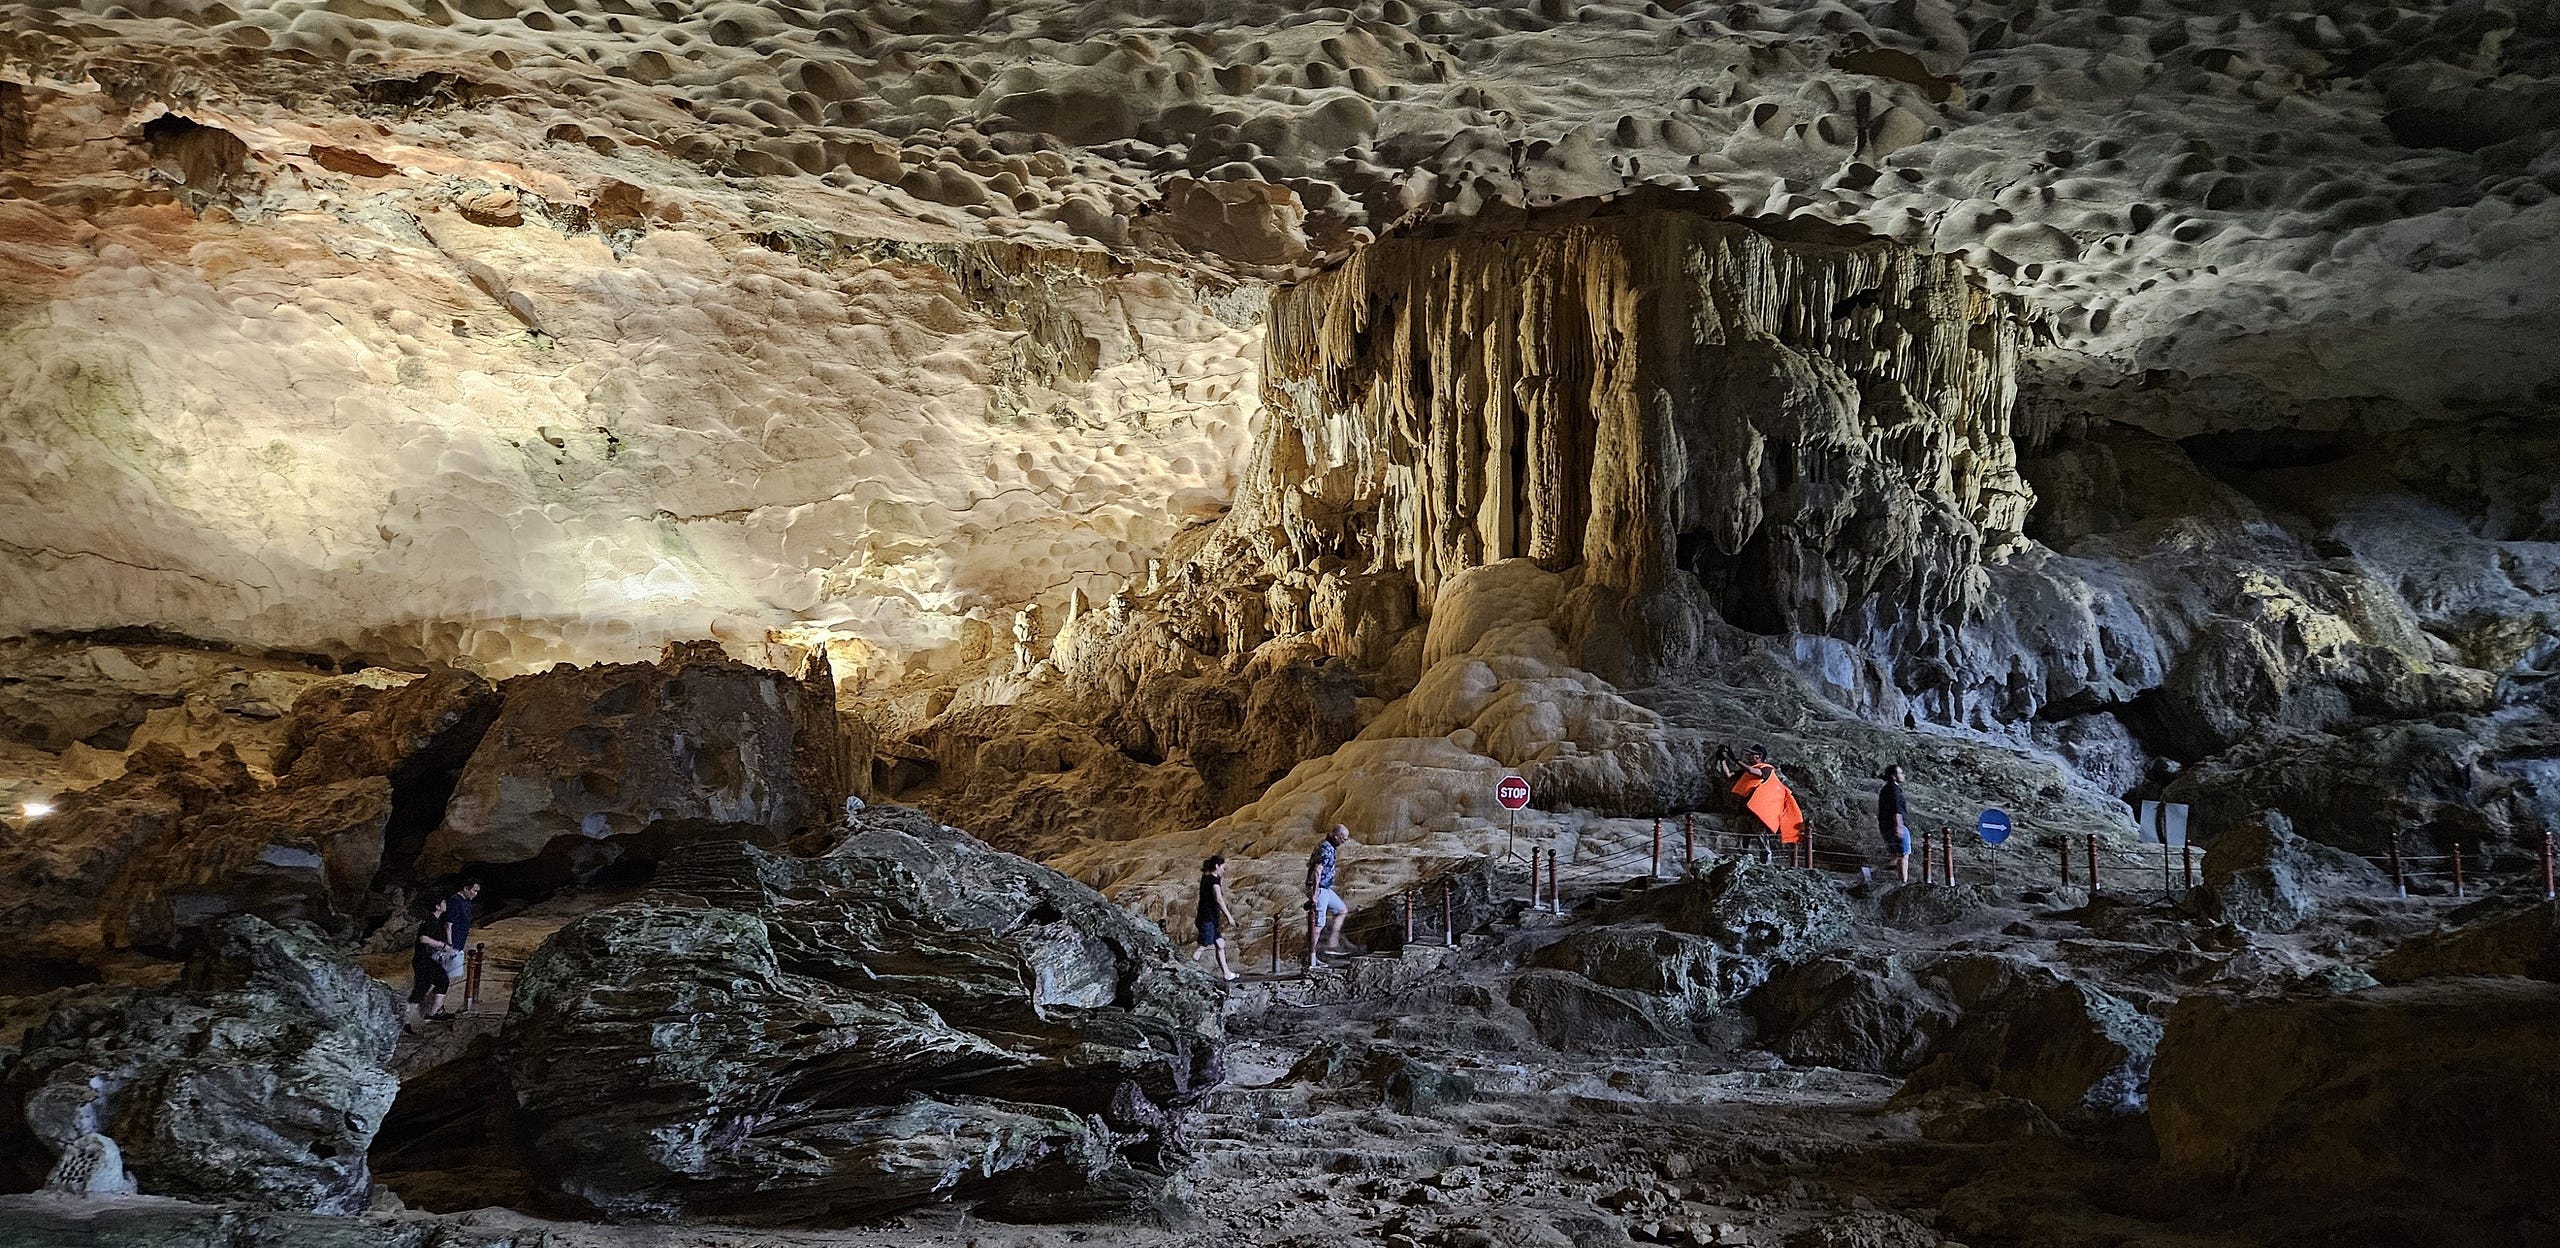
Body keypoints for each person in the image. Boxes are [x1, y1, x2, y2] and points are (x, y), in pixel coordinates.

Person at [407, 896, 458, 1034]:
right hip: (423, 960)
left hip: (428, 960)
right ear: (437, 906)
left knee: (441, 981)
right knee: (421, 989)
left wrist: (447, 945)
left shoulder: (435, 920)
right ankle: (409, 1020)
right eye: (443, 902)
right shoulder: (430, 921)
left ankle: (433, 1012)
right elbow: (423, 939)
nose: (445, 904)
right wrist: (443, 945)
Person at [1306, 824, 1353, 962]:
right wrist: (1314, 893)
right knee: (1318, 924)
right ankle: (1311, 958)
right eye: (1343, 838)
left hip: (1325, 888)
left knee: (1341, 909)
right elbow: (1317, 870)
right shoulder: (1325, 848)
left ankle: (1332, 944)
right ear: (1336, 836)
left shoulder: (1330, 847)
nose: (1344, 841)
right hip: (1319, 889)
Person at [1195, 855, 1238, 983]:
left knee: (1220, 943)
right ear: (1217, 867)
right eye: (1223, 868)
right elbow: (1219, 899)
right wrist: (1229, 917)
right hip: (1208, 918)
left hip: (1210, 918)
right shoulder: (1213, 881)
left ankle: (1226, 973)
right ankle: (1188, 969)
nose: (1224, 871)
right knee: (1202, 945)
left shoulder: (1206, 878)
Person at [1879, 764, 1911, 883]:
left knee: (1895, 856)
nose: (1903, 775)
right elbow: (1896, 809)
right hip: (1895, 826)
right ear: (1893, 776)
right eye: (1900, 773)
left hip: (1885, 827)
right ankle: (1903, 881)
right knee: (1903, 855)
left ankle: (1874, 871)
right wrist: (1899, 826)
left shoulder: (1885, 789)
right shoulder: (1894, 790)